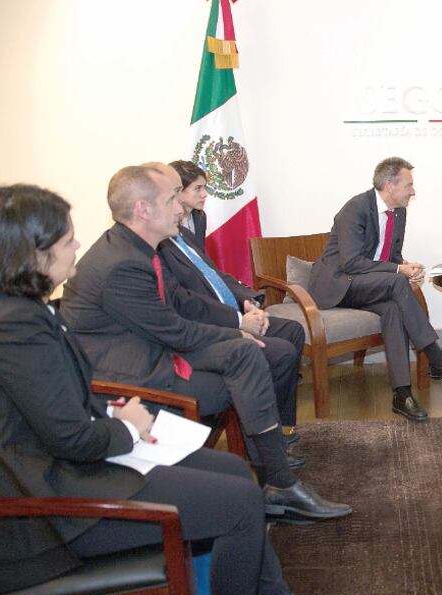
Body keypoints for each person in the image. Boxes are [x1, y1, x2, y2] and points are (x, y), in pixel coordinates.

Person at [0, 184, 343, 595]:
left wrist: (116, 417)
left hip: (51, 466)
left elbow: (43, 409)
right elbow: (70, 438)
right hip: (39, 508)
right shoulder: (10, 323)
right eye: (67, 238)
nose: (77, 245)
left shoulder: (8, 308)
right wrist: (130, 427)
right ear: (30, 252)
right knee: (241, 501)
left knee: (236, 474)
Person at [61, 164, 350, 523]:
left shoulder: (139, 248)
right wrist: (236, 332)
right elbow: (173, 330)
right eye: (171, 200)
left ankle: (277, 480)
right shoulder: (121, 264)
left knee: (248, 355)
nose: (181, 208)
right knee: (246, 355)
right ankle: (277, 481)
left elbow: (180, 306)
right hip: (131, 377)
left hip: (152, 349)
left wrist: (237, 330)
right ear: (143, 210)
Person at [308, 157, 442, 421]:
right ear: (389, 185)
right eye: (409, 185)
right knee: (397, 282)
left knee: (393, 309)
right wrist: (398, 272)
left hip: (366, 285)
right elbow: (350, 262)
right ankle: (435, 356)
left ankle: (402, 394)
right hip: (338, 284)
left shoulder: (399, 211)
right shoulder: (355, 209)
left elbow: (391, 255)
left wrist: (404, 265)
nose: (413, 191)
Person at [157, 161, 306, 445]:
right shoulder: (159, 246)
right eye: (197, 188)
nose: (205, 195)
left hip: (226, 310)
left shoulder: (191, 226)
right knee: (281, 351)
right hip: (204, 325)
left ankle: (281, 424)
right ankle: (261, 436)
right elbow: (186, 299)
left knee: (292, 331)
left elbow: (211, 274)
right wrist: (237, 321)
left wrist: (247, 301)